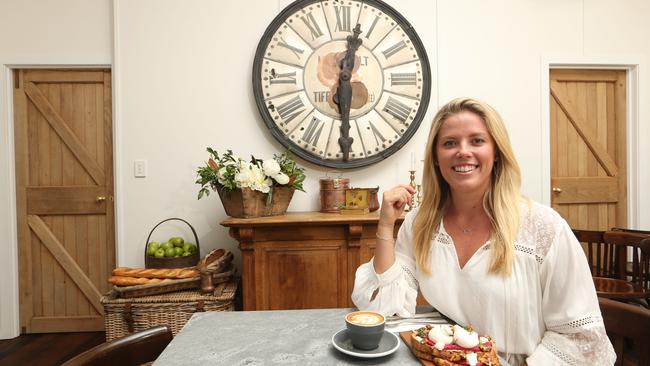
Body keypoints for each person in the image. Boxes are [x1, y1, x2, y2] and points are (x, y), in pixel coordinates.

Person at [351, 98, 615, 365]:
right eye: (449, 143)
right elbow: (384, 305)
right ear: (436, 158)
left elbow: (583, 339)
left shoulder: (544, 227)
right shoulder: (422, 222)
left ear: (497, 151)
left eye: (477, 141)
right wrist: (385, 225)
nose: (463, 152)